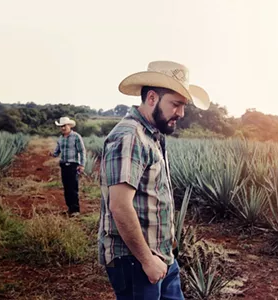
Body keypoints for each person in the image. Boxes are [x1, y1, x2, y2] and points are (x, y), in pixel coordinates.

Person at [98, 61, 210, 299]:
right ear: (151, 98)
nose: (181, 113)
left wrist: (166, 249)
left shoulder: (153, 135)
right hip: (136, 260)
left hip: (161, 257)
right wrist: (147, 260)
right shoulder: (129, 136)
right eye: (176, 104)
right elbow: (119, 206)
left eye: (183, 106)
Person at [49, 116, 86, 217]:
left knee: (73, 188)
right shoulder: (61, 138)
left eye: (64, 126)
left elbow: (82, 151)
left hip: (73, 165)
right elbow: (57, 152)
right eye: (61, 126)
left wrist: (82, 165)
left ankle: (76, 210)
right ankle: (70, 208)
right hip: (63, 165)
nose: (63, 128)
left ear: (69, 125)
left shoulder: (76, 137)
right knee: (66, 188)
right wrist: (52, 154)